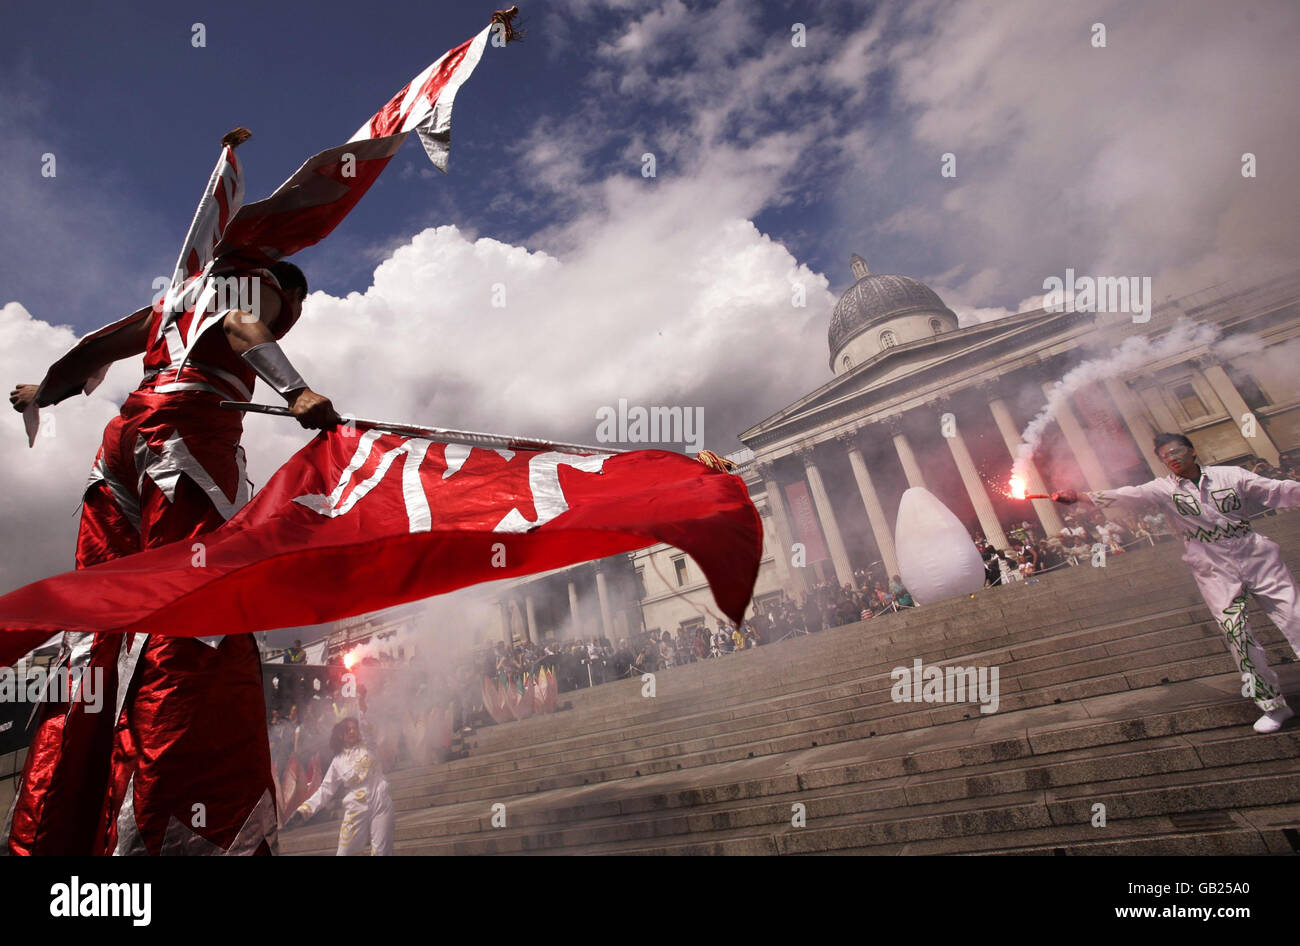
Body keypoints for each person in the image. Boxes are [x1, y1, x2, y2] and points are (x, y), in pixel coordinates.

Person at [6, 259, 339, 856]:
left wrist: (42, 393)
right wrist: (298, 391)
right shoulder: (252, 286)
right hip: (185, 435)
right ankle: (172, 827)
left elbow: (95, 349)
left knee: (100, 619)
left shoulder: (175, 300)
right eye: (297, 306)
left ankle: (56, 825)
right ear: (289, 291)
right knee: (198, 609)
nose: (289, 316)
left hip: (123, 439)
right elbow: (240, 323)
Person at [1053, 432, 1300, 734]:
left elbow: (1276, 490)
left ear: (1193, 451)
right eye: (1165, 456)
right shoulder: (1162, 489)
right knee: (1236, 633)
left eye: (1176, 451)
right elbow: (1128, 494)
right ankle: (1272, 705)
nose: (1172, 458)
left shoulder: (1230, 475)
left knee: (1296, 617)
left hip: (1256, 554)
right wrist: (1080, 496)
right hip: (1212, 566)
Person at [286, 718, 394, 856]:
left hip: (381, 804)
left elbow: (367, 725)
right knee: (345, 853)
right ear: (340, 735)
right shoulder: (337, 762)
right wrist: (303, 811)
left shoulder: (368, 744)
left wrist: (362, 707)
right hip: (356, 808)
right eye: (348, 729)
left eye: (354, 728)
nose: (352, 731)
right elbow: (325, 790)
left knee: (382, 851)